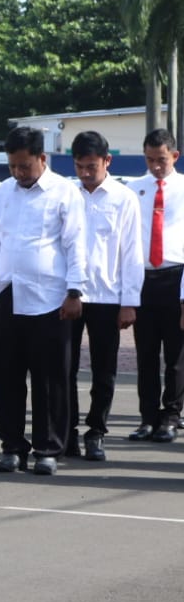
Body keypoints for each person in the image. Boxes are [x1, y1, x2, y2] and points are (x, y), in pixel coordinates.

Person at [0, 126, 86, 476]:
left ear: (42, 158)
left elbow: (76, 245)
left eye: (24, 166)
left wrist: (74, 291)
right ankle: (12, 446)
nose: (18, 172)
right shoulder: (4, 192)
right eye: (12, 166)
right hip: (7, 293)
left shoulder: (64, 192)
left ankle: (48, 449)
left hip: (50, 299)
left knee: (50, 379)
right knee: (6, 376)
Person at [69, 131, 141, 463]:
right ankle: (66, 431)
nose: (85, 173)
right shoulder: (67, 195)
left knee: (104, 371)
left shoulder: (124, 198)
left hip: (108, 297)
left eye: (91, 167)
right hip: (69, 296)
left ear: (107, 161)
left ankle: (96, 432)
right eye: (80, 166)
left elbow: (132, 253)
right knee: (63, 368)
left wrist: (129, 302)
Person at [128, 128, 184, 442]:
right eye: (150, 160)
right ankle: (148, 417)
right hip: (144, 278)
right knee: (146, 354)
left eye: (161, 159)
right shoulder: (133, 189)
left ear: (174, 156)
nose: (156, 166)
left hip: (176, 276)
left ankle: (172, 416)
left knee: (176, 355)